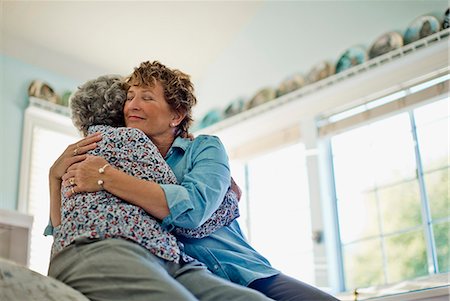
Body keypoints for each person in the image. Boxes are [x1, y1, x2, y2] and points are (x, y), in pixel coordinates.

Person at [50, 60, 339, 301]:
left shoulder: (204, 148)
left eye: (147, 97)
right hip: (177, 273)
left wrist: (106, 178)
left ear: (176, 115)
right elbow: (68, 227)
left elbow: (193, 210)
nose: (132, 105)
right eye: (129, 97)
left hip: (242, 270)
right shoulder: (118, 153)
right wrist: (54, 177)